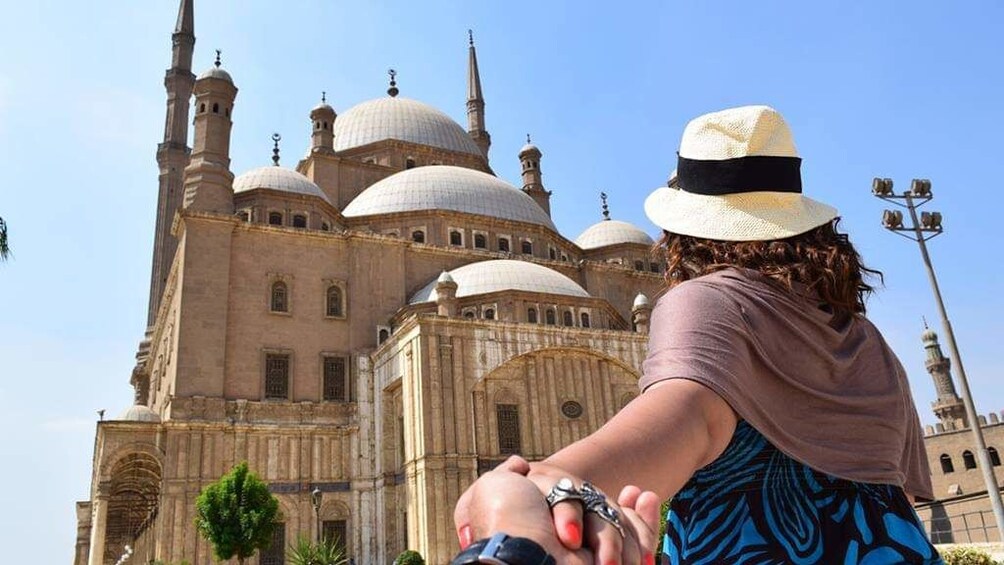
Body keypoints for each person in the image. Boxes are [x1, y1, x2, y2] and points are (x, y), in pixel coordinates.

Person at [452, 105, 942, 565]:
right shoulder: (864, 337)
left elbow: (693, 416)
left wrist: (551, 485)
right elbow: (902, 495)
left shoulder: (709, 298)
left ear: (684, 230)